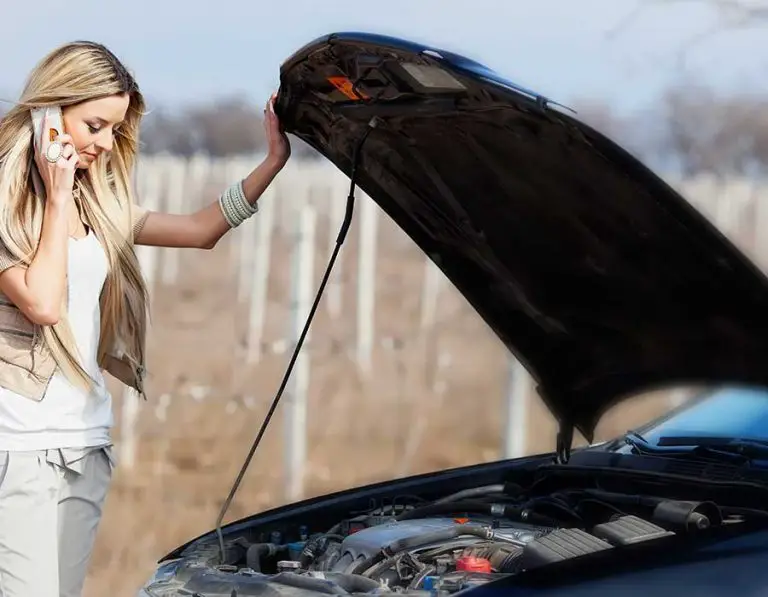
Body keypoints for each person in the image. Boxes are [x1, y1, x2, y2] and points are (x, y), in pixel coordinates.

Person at [0, 41, 290, 597]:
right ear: (49, 111)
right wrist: (57, 201)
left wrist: (271, 163)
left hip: (85, 445)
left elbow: (201, 230)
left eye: (115, 129)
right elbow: (42, 303)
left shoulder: (96, 206)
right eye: (94, 125)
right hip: (19, 450)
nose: (106, 144)